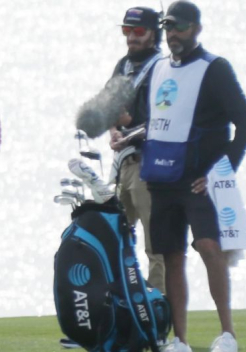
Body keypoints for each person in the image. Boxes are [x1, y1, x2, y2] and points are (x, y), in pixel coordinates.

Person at [140, 1, 246, 352]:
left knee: (209, 249)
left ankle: (227, 335)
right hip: (162, 179)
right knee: (171, 256)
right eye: (169, 28)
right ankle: (182, 343)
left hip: (199, 181)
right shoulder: (156, 68)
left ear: (196, 29)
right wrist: (123, 133)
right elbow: (151, 119)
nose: (173, 35)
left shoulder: (215, 69)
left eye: (181, 28)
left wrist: (221, 171)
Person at [109, 7, 166, 293]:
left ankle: (158, 317)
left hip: (150, 164)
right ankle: (121, 312)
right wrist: (114, 130)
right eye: (126, 31)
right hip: (123, 163)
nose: (131, 37)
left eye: (138, 31)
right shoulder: (123, 65)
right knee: (117, 243)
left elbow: (165, 120)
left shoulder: (163, 66)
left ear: (153, 33)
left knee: (156, 247)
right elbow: (108, 107)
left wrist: (129, 128)